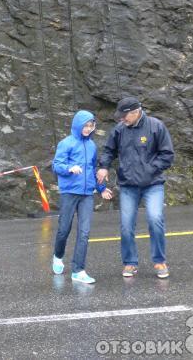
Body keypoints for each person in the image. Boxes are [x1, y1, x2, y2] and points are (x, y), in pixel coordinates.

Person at [96, 96, 174, 279]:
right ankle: (130, 263)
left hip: (153, 184)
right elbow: (109, 150)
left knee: (155, 220)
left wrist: (149, 170)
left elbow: (167, 154)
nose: (122, 119)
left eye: (124, 116)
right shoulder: (120, 130)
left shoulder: (156, 126)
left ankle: (159, 261)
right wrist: (104, 166)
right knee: (126, 226)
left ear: (135, 112)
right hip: (128, 185)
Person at [52, 110, 113, 284]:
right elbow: (57, 165)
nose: (88, 129)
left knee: (84, 233)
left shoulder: (92, 145)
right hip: (69, 192)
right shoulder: (66, 143)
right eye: (85, 125)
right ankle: (58, 256)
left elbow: (93, 170)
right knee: (64, 229)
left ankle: (78, 270)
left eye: (91, 126)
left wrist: (101, 188)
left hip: (87, 194)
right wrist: (69, 168)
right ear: (78, 125)